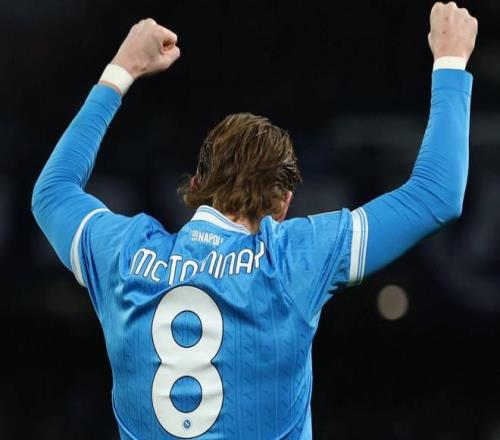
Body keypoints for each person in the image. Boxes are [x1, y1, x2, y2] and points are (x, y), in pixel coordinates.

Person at [32, 2, 477, 439]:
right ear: (283, 205)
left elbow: (52, 192)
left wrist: (121, 69)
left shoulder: (125, 256)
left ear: (197, 183)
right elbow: (436, 194)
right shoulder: (290, 261)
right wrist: (451, 60)